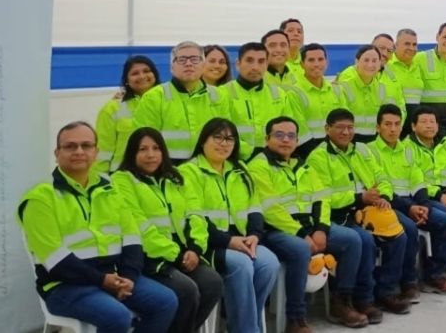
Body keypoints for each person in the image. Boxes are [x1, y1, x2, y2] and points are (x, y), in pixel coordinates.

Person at [19, 122, 178, 333]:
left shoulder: (109, 189)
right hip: (64, 286)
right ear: (57, 154)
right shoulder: (40, 199)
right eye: (70, 146)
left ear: (96, 152)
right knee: (117, 316)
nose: (79, 151)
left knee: (166, 301)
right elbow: (55, 260)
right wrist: (103, 281)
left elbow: (132, 238)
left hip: (113, 277)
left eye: (86, 145)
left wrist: (129, 277)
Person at [249, 116, 373, 330]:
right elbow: (271, 210)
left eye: (291, 136)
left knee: (352, 239)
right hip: (276, 231)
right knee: (300, 249)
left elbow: (322, 199)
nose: (285, 140)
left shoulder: (303, 165)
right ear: (267, 139)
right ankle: (295, 318)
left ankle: (341, 301)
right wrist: (302, 234)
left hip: (309, 227)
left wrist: (321, 229)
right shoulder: (258, 166)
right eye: (279, 135)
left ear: (297, 141)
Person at [112, 128, 223, 333]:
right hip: (149, 257)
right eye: (143, 149)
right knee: (186, 290)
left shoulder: (175, 177)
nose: (151, 154)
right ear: (132, 153)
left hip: (185, 253)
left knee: (212, 282)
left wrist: (195, 249)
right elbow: (140, 227)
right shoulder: (122, 180)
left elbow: (196, 214)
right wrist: (178, 255)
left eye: (156, 148)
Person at [305, 108, 408, 321]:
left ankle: (386, 291)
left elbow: (382, 177)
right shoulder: (318, 157)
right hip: (336, 215)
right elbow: (324, 197)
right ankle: (355, 299)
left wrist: (383, 197)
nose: (346, 132)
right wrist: (360, 197)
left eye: (350, 127)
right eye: (340, 128)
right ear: (327, 129)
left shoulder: (361, 149)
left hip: (369, 208)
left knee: (400, 233)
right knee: (364, 240)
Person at [179, 119, 279, 333]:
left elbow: (254, 207)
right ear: (203, 140)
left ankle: (242, 323)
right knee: (242, 265)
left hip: (243, 239)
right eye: (217, 137)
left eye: (230, 139)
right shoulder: (189, 171)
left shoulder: (240, 169)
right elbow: (194, 216)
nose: (224, 143)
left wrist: (254, 235)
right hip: (209, 243)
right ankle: (246, 329)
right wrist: (229, 241)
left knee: (269, 263)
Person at [370, 104, 446, 297]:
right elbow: (381, 188)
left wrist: (424, 205)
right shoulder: (370, 152)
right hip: (388, 205)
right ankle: (408, 281)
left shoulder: (407, 150)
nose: (393, 129)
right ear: (378, 127)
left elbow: (417, 180)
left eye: (397, 124)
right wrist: (411, 207)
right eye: (387, 124)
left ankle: (434, 275)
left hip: (413, 202)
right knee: (409, 228)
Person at [133, 41, 229, 161]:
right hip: (168, 167)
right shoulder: (154, 97)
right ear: (172, 67)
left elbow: (226, 136)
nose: (188, 64)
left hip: (209, 166)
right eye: (182, 60)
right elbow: (144, 142)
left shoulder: (218, 95)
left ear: (203, 65)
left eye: (194, 59)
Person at [222, 41, 300, 159]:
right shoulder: (223, 93)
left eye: (261, 61)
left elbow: (288, 131)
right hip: (234, 161)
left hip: (273, 161)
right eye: (249, 60)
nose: (255, 67)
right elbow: (220, 133)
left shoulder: (279, 94)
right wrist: (252, 153)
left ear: (267, 64)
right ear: (238, 64)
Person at [94, 55, 159, 175]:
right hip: (122, 176)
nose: (142, 76)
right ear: (127, 81)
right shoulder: (112, 108)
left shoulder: (168, 104)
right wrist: (101, 180)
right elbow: (102, 150)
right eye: (135, 73)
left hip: (159, 174)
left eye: (146, 71)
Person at [287, 43, 346, 156]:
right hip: (307, 153)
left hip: (336, 150)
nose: (316, 64)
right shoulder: (294, 92)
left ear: (326, 62)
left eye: (320, 59)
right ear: (302, 64)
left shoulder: (337, 90)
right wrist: (319, 155)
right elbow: (301, 130)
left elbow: (344, 121)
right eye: (311, 60)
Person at [340, 44, 405, 144]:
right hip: (348, 141)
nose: (370, 65)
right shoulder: (344, 87)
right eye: (366, 60)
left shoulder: (382, 89)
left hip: (375, 142)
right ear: (357, 62)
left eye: (374, 61)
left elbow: (386, 118)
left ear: (379, 64)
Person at [387, 28, 426, 119]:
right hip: (393, 122)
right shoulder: (386, 65)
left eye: (414, 44)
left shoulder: (419, 66)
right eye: (407, 44)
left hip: (414, 123)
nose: (411, 48)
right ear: (396, 45)